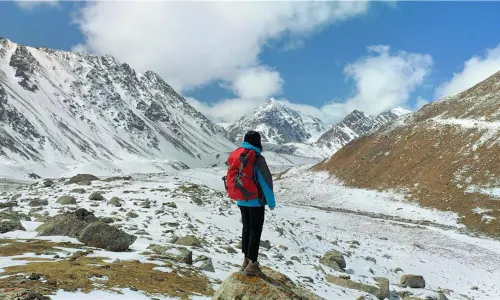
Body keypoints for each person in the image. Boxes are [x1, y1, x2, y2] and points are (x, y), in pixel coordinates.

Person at [231, 131, 276, 276]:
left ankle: (245, 260)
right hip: (255, 201)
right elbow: (266, 182)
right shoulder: (257, 158)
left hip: (241, 199)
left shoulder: (239, 155)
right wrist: (271, 202)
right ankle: (252, 264)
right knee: (255, 231)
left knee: (246, 228)